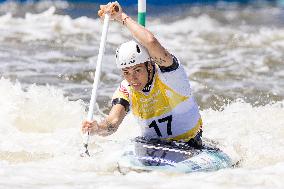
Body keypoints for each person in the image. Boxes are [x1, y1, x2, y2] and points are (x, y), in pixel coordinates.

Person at [82, 1, 203, 149]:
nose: (132, 78)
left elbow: (151, 42)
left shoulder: (170, 75)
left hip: (190, 143)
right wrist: (97, 128)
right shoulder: (126, 89)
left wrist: (121, 17)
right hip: (152, 146)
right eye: (126, 72)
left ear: (150, 66)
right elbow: (112, 123)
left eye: (137, 70)